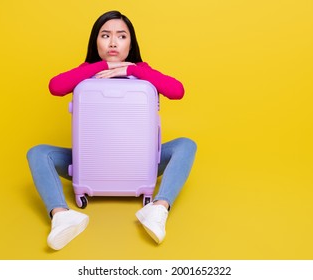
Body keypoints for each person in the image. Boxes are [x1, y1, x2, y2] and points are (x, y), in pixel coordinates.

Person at [27, 10, 197, 250]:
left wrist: (131, 69)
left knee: (186, 145)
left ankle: (158, 209)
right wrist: (103, 66)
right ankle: (61, 215)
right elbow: (56, 86)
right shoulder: (87, 70)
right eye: (105, 35)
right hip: (89, 162)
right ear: (96, 41)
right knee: (37, 153)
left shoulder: (141, 71)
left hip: (141, 162)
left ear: (131, 42)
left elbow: (177, 91)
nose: (113, 42)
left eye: (121, 36)